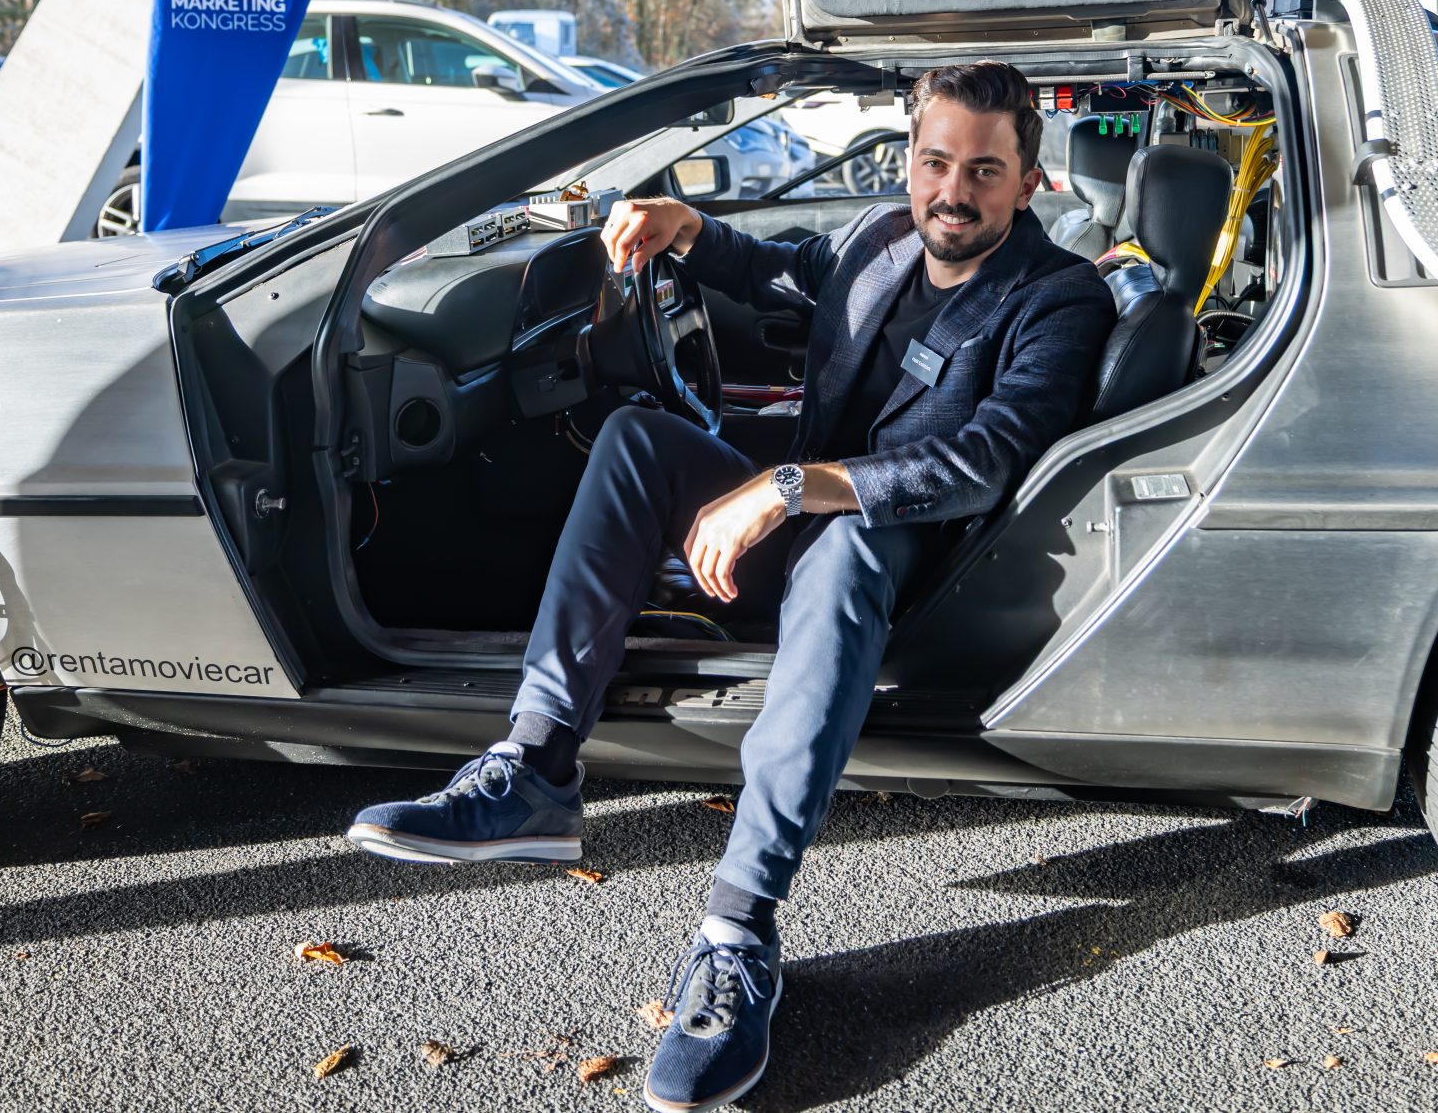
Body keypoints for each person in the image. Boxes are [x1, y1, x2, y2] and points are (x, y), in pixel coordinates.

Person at [347, 60, 1116, 1112]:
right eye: (936, 162)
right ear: (908, 162)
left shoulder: (1058, 295)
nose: (953, 191)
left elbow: (985, 458)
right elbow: (784, 268)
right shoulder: (879, 237)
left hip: (913, 563)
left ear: (1028, 182)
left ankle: (737, 930)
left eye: (984, 170)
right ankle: (535, 764)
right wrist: (686, 228)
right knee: (634, 437)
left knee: (844, 543)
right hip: (798, 529)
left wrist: (792, 487)